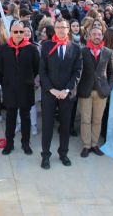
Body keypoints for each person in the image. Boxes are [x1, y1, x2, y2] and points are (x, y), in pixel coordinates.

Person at [39, 18, 82, 169]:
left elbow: (77, 72)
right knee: (47, 125)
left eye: (63, 27)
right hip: (49, 92)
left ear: (68, 29)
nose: (61, 30)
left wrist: (67, 90)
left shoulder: (75, 48)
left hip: (66, 94)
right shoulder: (46, 46)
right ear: (54, 29)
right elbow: (42, 71)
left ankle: (63, 153)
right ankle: (45, 155)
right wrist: (51, 89)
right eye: (58, 27)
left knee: (65, 126)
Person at [0, 21, 39, 155]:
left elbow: (36, 67)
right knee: (10, 117)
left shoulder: (31, 48)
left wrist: (27, 80)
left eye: (21, 32)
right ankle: (9, 144)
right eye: (16, 32)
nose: (19, 34)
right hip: (10, 89)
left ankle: (25, 143)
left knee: (26, 118)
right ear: (11, 32)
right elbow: (0, 69)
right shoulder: (3, 49)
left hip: (26, 89)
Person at [77, 26, 113, 158]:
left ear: (102, 36)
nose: (97, 36)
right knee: (85, 119)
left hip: (101, 91)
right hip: (85, 90)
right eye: (94, 34)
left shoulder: (108, 52)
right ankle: (86, 145)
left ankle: (94, 144)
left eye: (99, 34)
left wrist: (109, 87)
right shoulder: (82, 51)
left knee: (97, 120)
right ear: (89, 36)